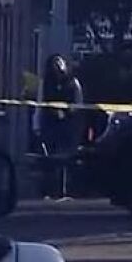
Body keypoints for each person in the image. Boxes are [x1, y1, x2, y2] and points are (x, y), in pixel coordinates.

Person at [39, 54, 84, 198]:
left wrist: (67, 112)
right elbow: (40, 103)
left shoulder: (72, 83)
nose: (57, 65)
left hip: (67, 124)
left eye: (60, 62)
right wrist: (37, 124)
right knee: (50, 157)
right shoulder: (46, 83)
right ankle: (50, 190)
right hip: (50, 123)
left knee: (66, 157)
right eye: (54, 63)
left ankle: (64, 190)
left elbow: (78, 102)